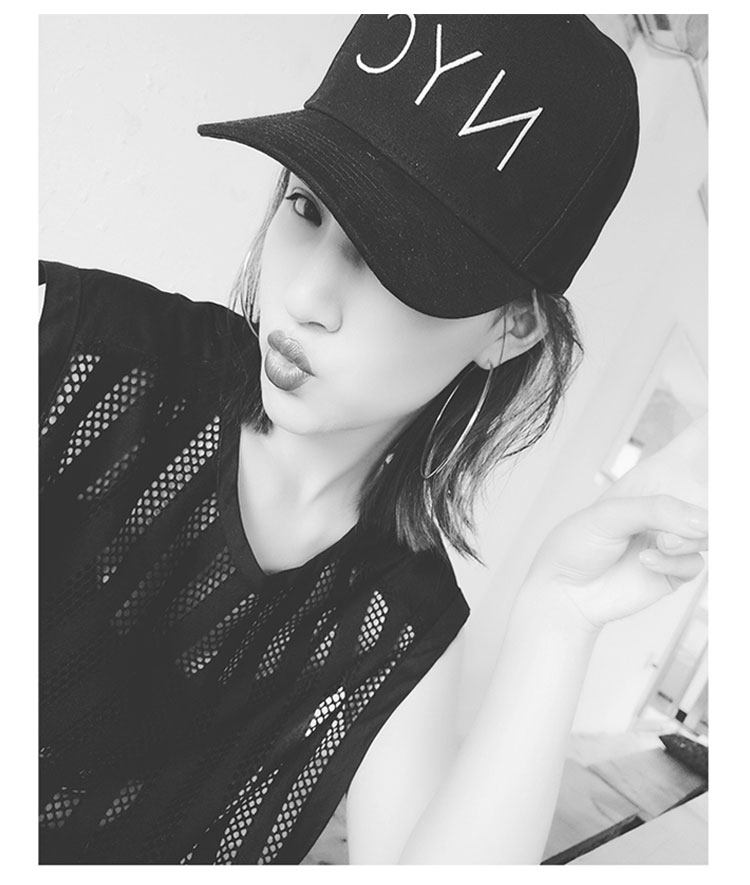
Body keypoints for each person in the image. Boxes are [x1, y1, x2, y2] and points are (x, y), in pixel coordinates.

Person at [38, 14, 707, 865]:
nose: (306, 297)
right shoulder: (69, 354)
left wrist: (562, 617)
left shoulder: (400, 625)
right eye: (306, 206)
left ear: (511, 326)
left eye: (395, 257)